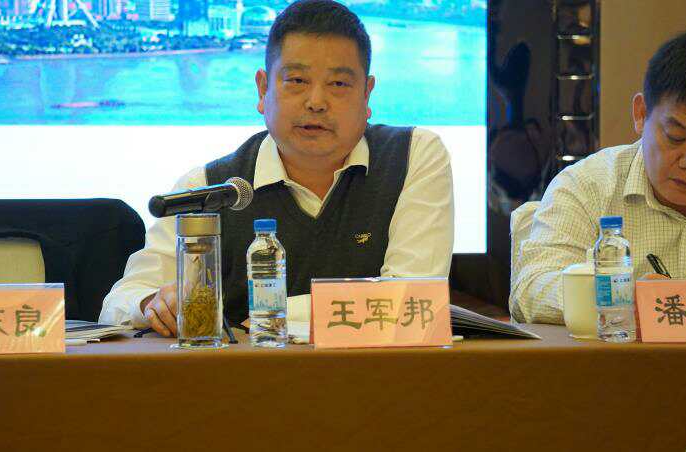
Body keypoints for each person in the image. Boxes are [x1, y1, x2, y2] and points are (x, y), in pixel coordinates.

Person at [100, 0, 454, 335]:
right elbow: (120, 302)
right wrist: (152, 303)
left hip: (374, 374)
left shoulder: (412, 156)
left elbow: (412, 298)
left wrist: (266, 314)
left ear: (367, 95)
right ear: (262, 89)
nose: (316, 102)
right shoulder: (210, 187)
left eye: (338, 84)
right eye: (297, 81)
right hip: (243, 378)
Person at [511, 29, 686, 324]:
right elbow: (532, 290)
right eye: (676, 137)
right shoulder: (588, 185)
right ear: (641, 114)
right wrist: (621, 298)